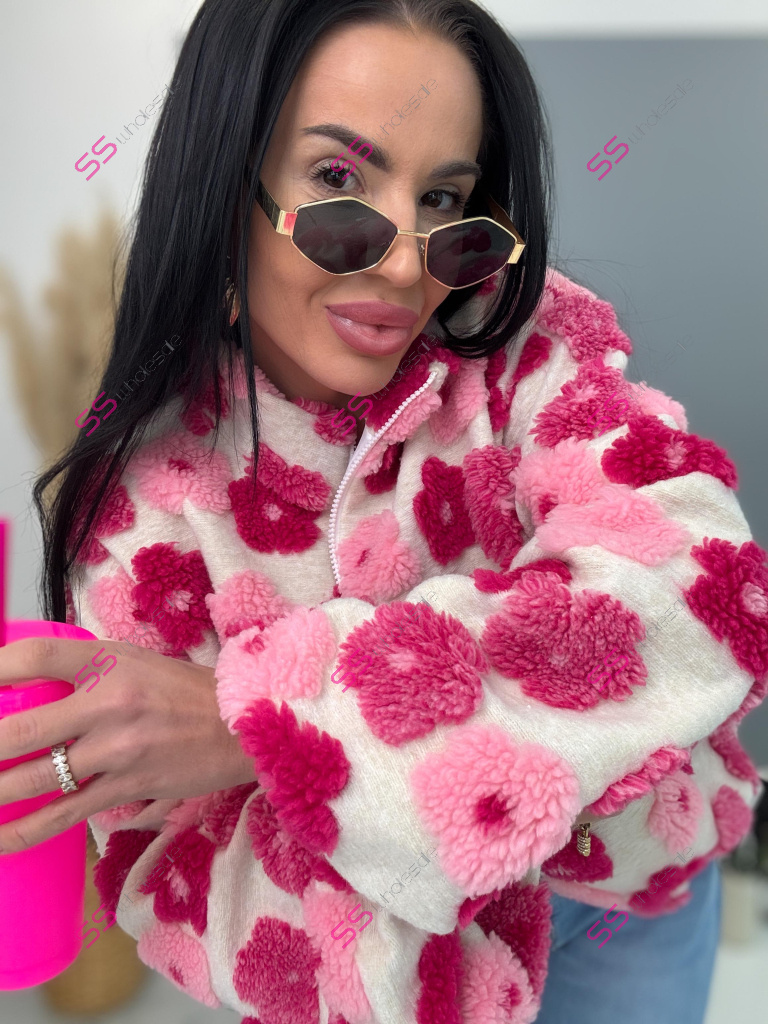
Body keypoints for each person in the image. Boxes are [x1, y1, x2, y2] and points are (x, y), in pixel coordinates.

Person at [0, 1, 764, 1022]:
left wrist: (259, 720)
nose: (407, 265)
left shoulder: (527, 347)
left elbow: (703, 593)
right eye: (338, 180)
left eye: (443, 197)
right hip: (406, 977)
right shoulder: (142, 513)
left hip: (628, 899)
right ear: (226, 185)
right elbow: (193, 892)